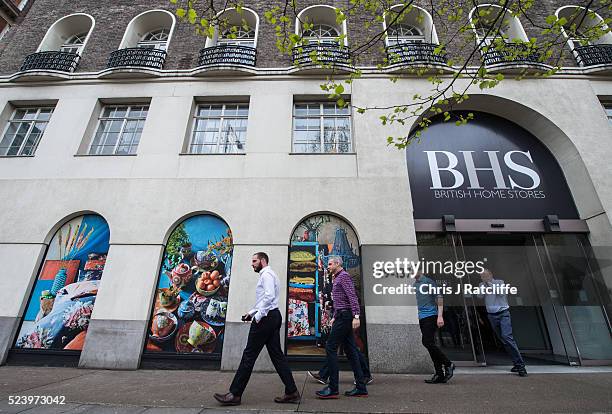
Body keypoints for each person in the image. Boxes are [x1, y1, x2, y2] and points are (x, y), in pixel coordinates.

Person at [214, 252, 300, 406]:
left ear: (263, 260)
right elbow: (265, 299)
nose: (252, 264)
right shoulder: (270, 274)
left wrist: (258, 316)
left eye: (254, 261)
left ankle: (235, 394)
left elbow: (268, 297)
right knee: (277, 356)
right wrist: (251, 313)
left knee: (249, 355)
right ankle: (292, 392)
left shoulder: (266, 275)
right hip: (274, 316)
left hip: (266, 319)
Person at [315, 256, 368, 398]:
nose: (328, 266)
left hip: (345, 317)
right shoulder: (337, 278)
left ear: (338, 264)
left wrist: (356, 316)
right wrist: (334, 317)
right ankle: (361, 387)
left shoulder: (344, 276)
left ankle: (333, 388)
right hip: (341, 316)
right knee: (351, 351)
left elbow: (352, 297)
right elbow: (341, 301)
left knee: (330, 347)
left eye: (331, 264)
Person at [478, 268, 528, 377]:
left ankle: (521, 366)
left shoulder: (500, 282)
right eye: (482, 276)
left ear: (491, 275)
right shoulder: (482, 285)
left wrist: (490, 285)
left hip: (503, 313)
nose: (484, 278)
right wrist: (484, 287)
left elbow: (501, 293)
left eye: (485, 275)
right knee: (503, 340)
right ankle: (516, 363)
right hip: (491, 315)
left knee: (507, 337)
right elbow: (479, 296)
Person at [414, 271, 455, 384]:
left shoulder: (428, 282)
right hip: (422, 316)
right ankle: (439, 374)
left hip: (431, 315)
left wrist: (440, 316)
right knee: (429, 343)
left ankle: (448, 364)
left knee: (427, 342)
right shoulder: (415, 284)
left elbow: (439, 298)